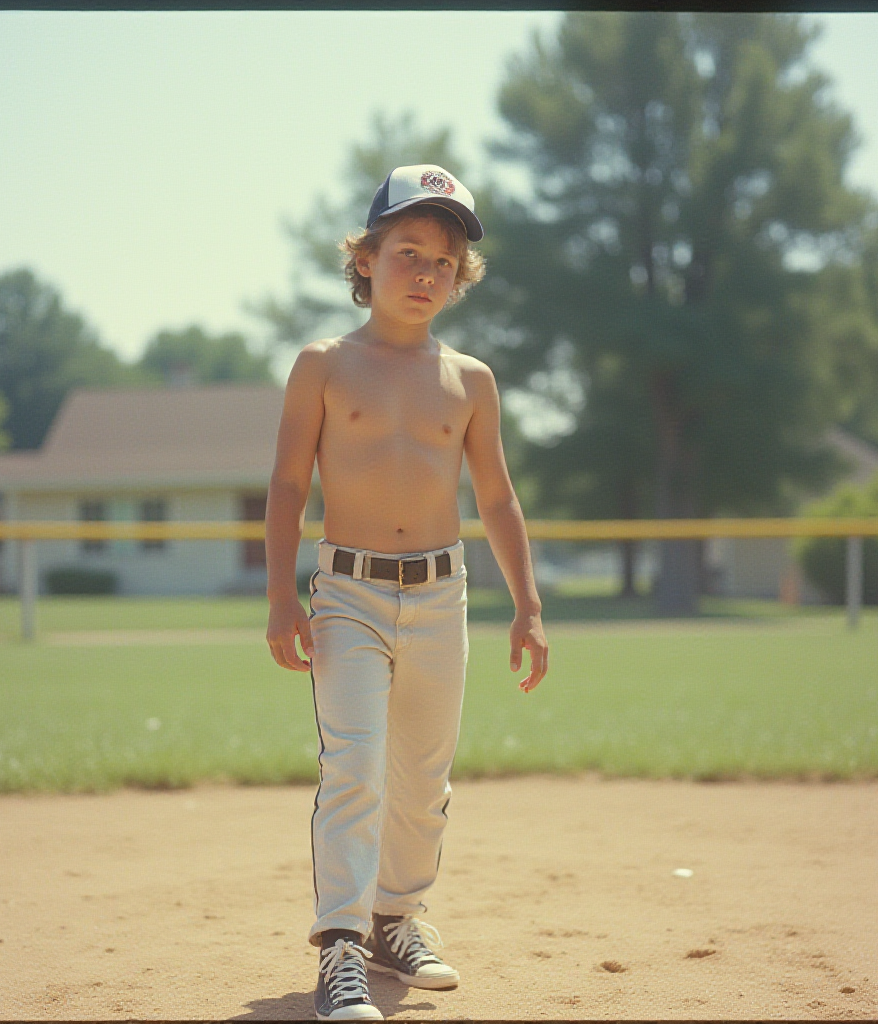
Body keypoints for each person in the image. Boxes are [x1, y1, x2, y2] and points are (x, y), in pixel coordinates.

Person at [265, 163, 549, 1022]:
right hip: (346, 594)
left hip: (441, 596)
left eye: (444, 261)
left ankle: (397, 919)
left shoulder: (472, 380)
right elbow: (285, 486)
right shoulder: (323, 364)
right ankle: (342, 947)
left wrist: (528, 605)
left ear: (460, 278)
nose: (426, 273)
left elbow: (496, 498)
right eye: (407, 252)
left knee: (422, 779)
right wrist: (283, 596)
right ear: (366, 260)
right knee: (354, 767)